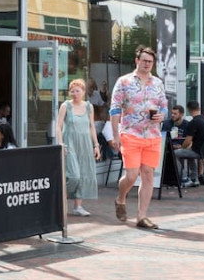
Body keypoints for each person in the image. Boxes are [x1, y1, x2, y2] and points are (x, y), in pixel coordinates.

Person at [109, 46, 169, 229]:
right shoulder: (124, 81)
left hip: (152, 135)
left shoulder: (158, 83)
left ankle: (142, 216)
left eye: (150, 61)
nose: (147, 64)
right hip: (130, 133)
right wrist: (115, 135)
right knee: (132, 175)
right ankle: (121, 198)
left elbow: (164, 106)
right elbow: (115, 109)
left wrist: (162, 115)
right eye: (144, 60)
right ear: (137, 61)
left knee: (148, 174)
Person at [56, 79, 99, 216]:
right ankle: (59, 198)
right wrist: (61, 143)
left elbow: (92, 127)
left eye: (77, 91)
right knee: (74, 176)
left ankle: (78, 207)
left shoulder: (89, 107)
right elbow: (58, 126)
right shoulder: (66, 106)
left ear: (83, 92)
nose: (75, 93)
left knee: (83, 174)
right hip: (70, 143)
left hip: (85, 144)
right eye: (72, 91)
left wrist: (96, 145)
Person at [173, 101, 204, 187]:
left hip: (199, 152)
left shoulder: (193, 122)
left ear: (188, 110)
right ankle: (194, 178)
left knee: (174, 154)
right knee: (189, 152)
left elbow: (188, 141)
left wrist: (181, 147)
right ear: (199, 108)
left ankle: (184, 178)